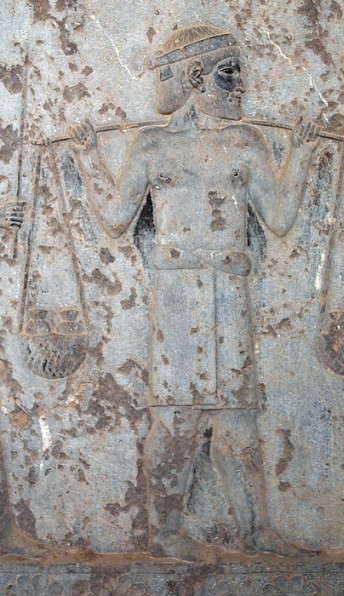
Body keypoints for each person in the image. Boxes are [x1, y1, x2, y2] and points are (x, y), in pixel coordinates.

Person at [70, 24, 320, 561]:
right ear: (197, 77)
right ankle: (164, 532)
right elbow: (115, 219)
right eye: (233, 74)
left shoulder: (245, 142)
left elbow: (278, 218)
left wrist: (299, 153)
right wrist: (89, 158)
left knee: (237, 418)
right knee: (177, 417)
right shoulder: (152, 144)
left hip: (229, 293)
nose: (242, 87)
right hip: (178, 298)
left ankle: (256, 532)